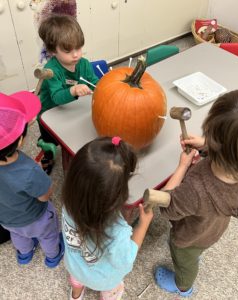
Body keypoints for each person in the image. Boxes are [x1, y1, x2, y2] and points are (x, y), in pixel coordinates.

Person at [154, 90, 238, 297]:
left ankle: (183, 286)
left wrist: (182, 167)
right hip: (213, 229)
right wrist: (206, 147)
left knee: (185, 261)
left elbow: (167, 208)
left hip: (188, 238)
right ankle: (196, 256)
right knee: (198, 249)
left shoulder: (195, 189)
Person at [61, 136, 153, 300]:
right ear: (118, 193)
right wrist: (143, 225)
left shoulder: (68, 204)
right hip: (103, 280)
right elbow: (126, 260)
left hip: (74, 266)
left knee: (76, 280)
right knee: (113, 290)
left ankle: (76, 294)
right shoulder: (117, 231)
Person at [0, 91, 64, 267]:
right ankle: (53, 256)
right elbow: (43, 196)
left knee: (18, 236)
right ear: (20, 140)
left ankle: (25, 254)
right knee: (49, 235)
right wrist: (49, 185)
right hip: (36, 218)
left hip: (7, 219)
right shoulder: (29, 171)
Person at [37, 14, 99, 174]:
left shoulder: (83, 64)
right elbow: (56, 97)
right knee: (50, 140)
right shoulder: (51, 71)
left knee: (72, 136)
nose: (76, 55)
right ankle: (47, 155)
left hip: (71, 108)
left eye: (78, 48)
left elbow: (94, 81)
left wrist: (105, 86)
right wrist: (73, 90)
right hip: (50, 112)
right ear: (52, 51)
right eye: (68, 50)